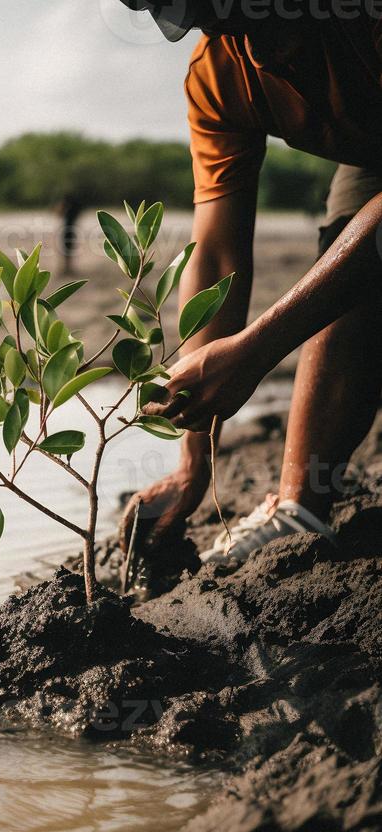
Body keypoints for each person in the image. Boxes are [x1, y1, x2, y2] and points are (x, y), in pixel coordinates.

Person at [118, 0, 382, 565]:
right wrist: (193, 465)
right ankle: (300, 511)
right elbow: (216, 254)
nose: (256, 47)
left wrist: (256, 349)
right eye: (218, 23)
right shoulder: (218, 73)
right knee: (347, 250)